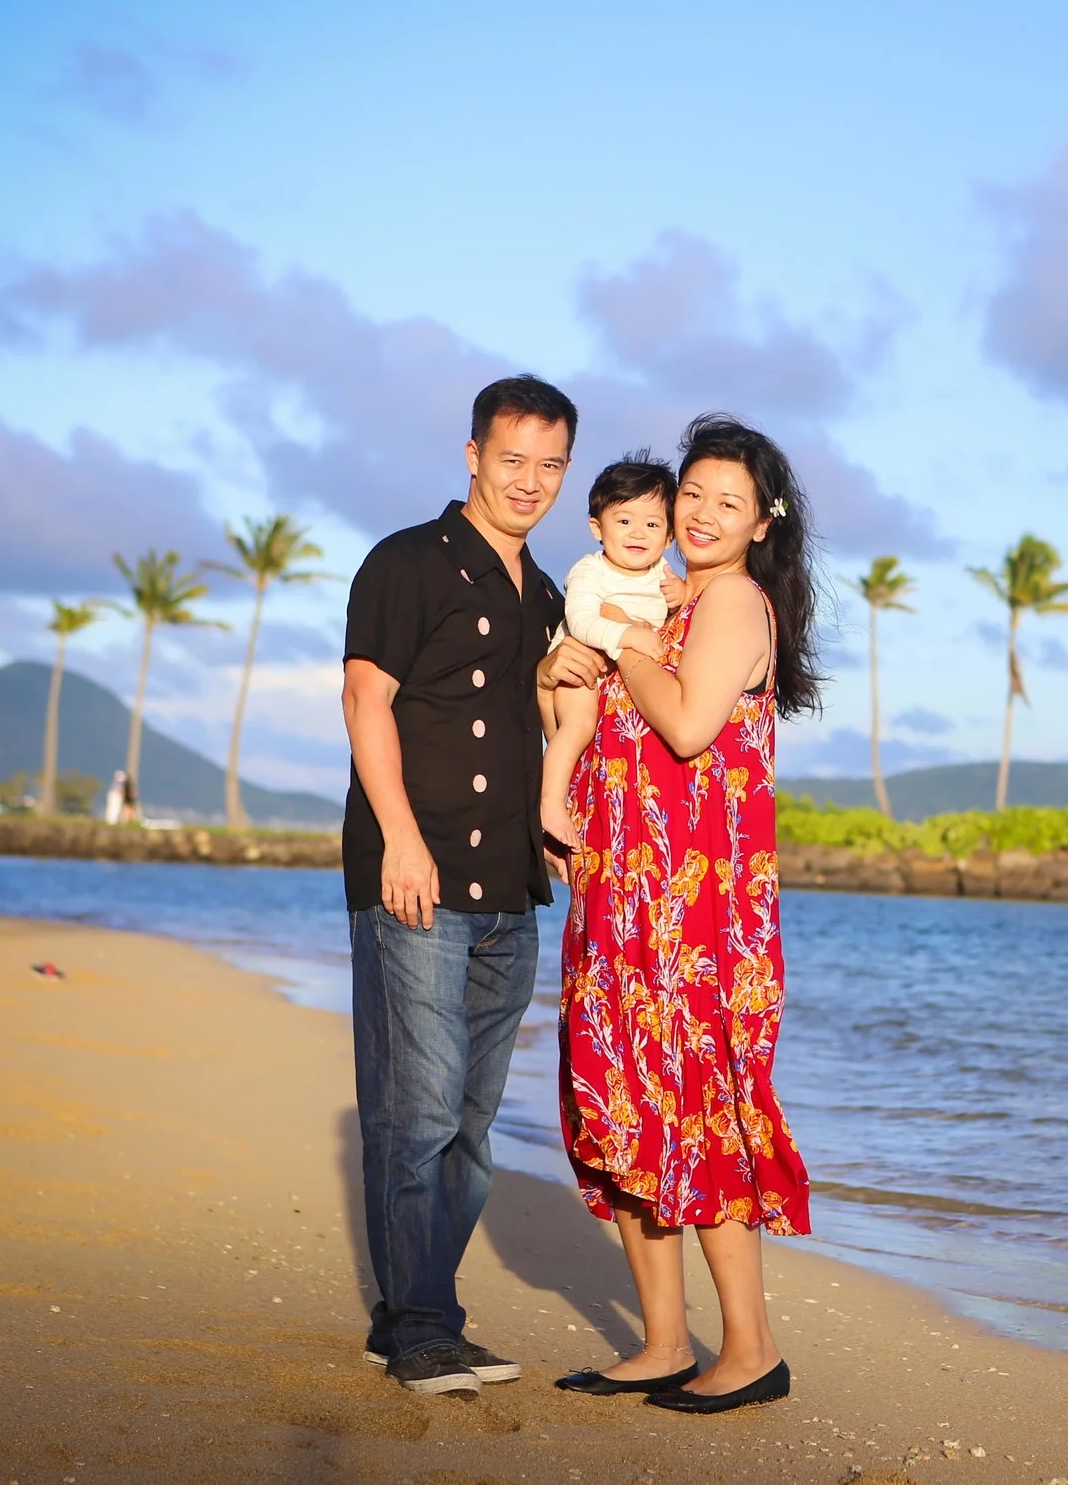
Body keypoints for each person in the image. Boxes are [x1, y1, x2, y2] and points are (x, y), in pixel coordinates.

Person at [547, 413, 821, 1416]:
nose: (702, 513)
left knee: (700, 1107)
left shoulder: (733, 601)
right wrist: (561, 671)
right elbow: (602, 727)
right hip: (624, 892)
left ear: (761, 523)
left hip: (696, 912)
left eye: (727, 502)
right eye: (691, 494)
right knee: (623, 1099)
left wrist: (616, 638)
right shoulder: (665, 601)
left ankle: (750, 1348)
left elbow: (690, 724)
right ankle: (664, 1341)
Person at [339, 375, 576, 1396]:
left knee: (471, 1128)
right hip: (417, 879)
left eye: (550, 464)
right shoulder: (406, 561)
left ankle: (414, 1311)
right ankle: (424, 1330)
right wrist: (399, 837)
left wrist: (557, 827)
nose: (530, 480)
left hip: (509, 892)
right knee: (416, 1112)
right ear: (472, 453)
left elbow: (547, 729)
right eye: (512, 457)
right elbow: (365, 698)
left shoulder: (549, 595)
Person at [539, 452, 687, 850]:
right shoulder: (591, 571)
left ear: (669, 537)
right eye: (624, 521)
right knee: (578, 728)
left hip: (623, 680)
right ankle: (550, 803)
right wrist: (628, 635)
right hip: (581, 667)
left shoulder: (662, 575)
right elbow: (582, 621)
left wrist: (683, 594)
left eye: (652, 524)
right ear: (597, 528)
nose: (638, 533)